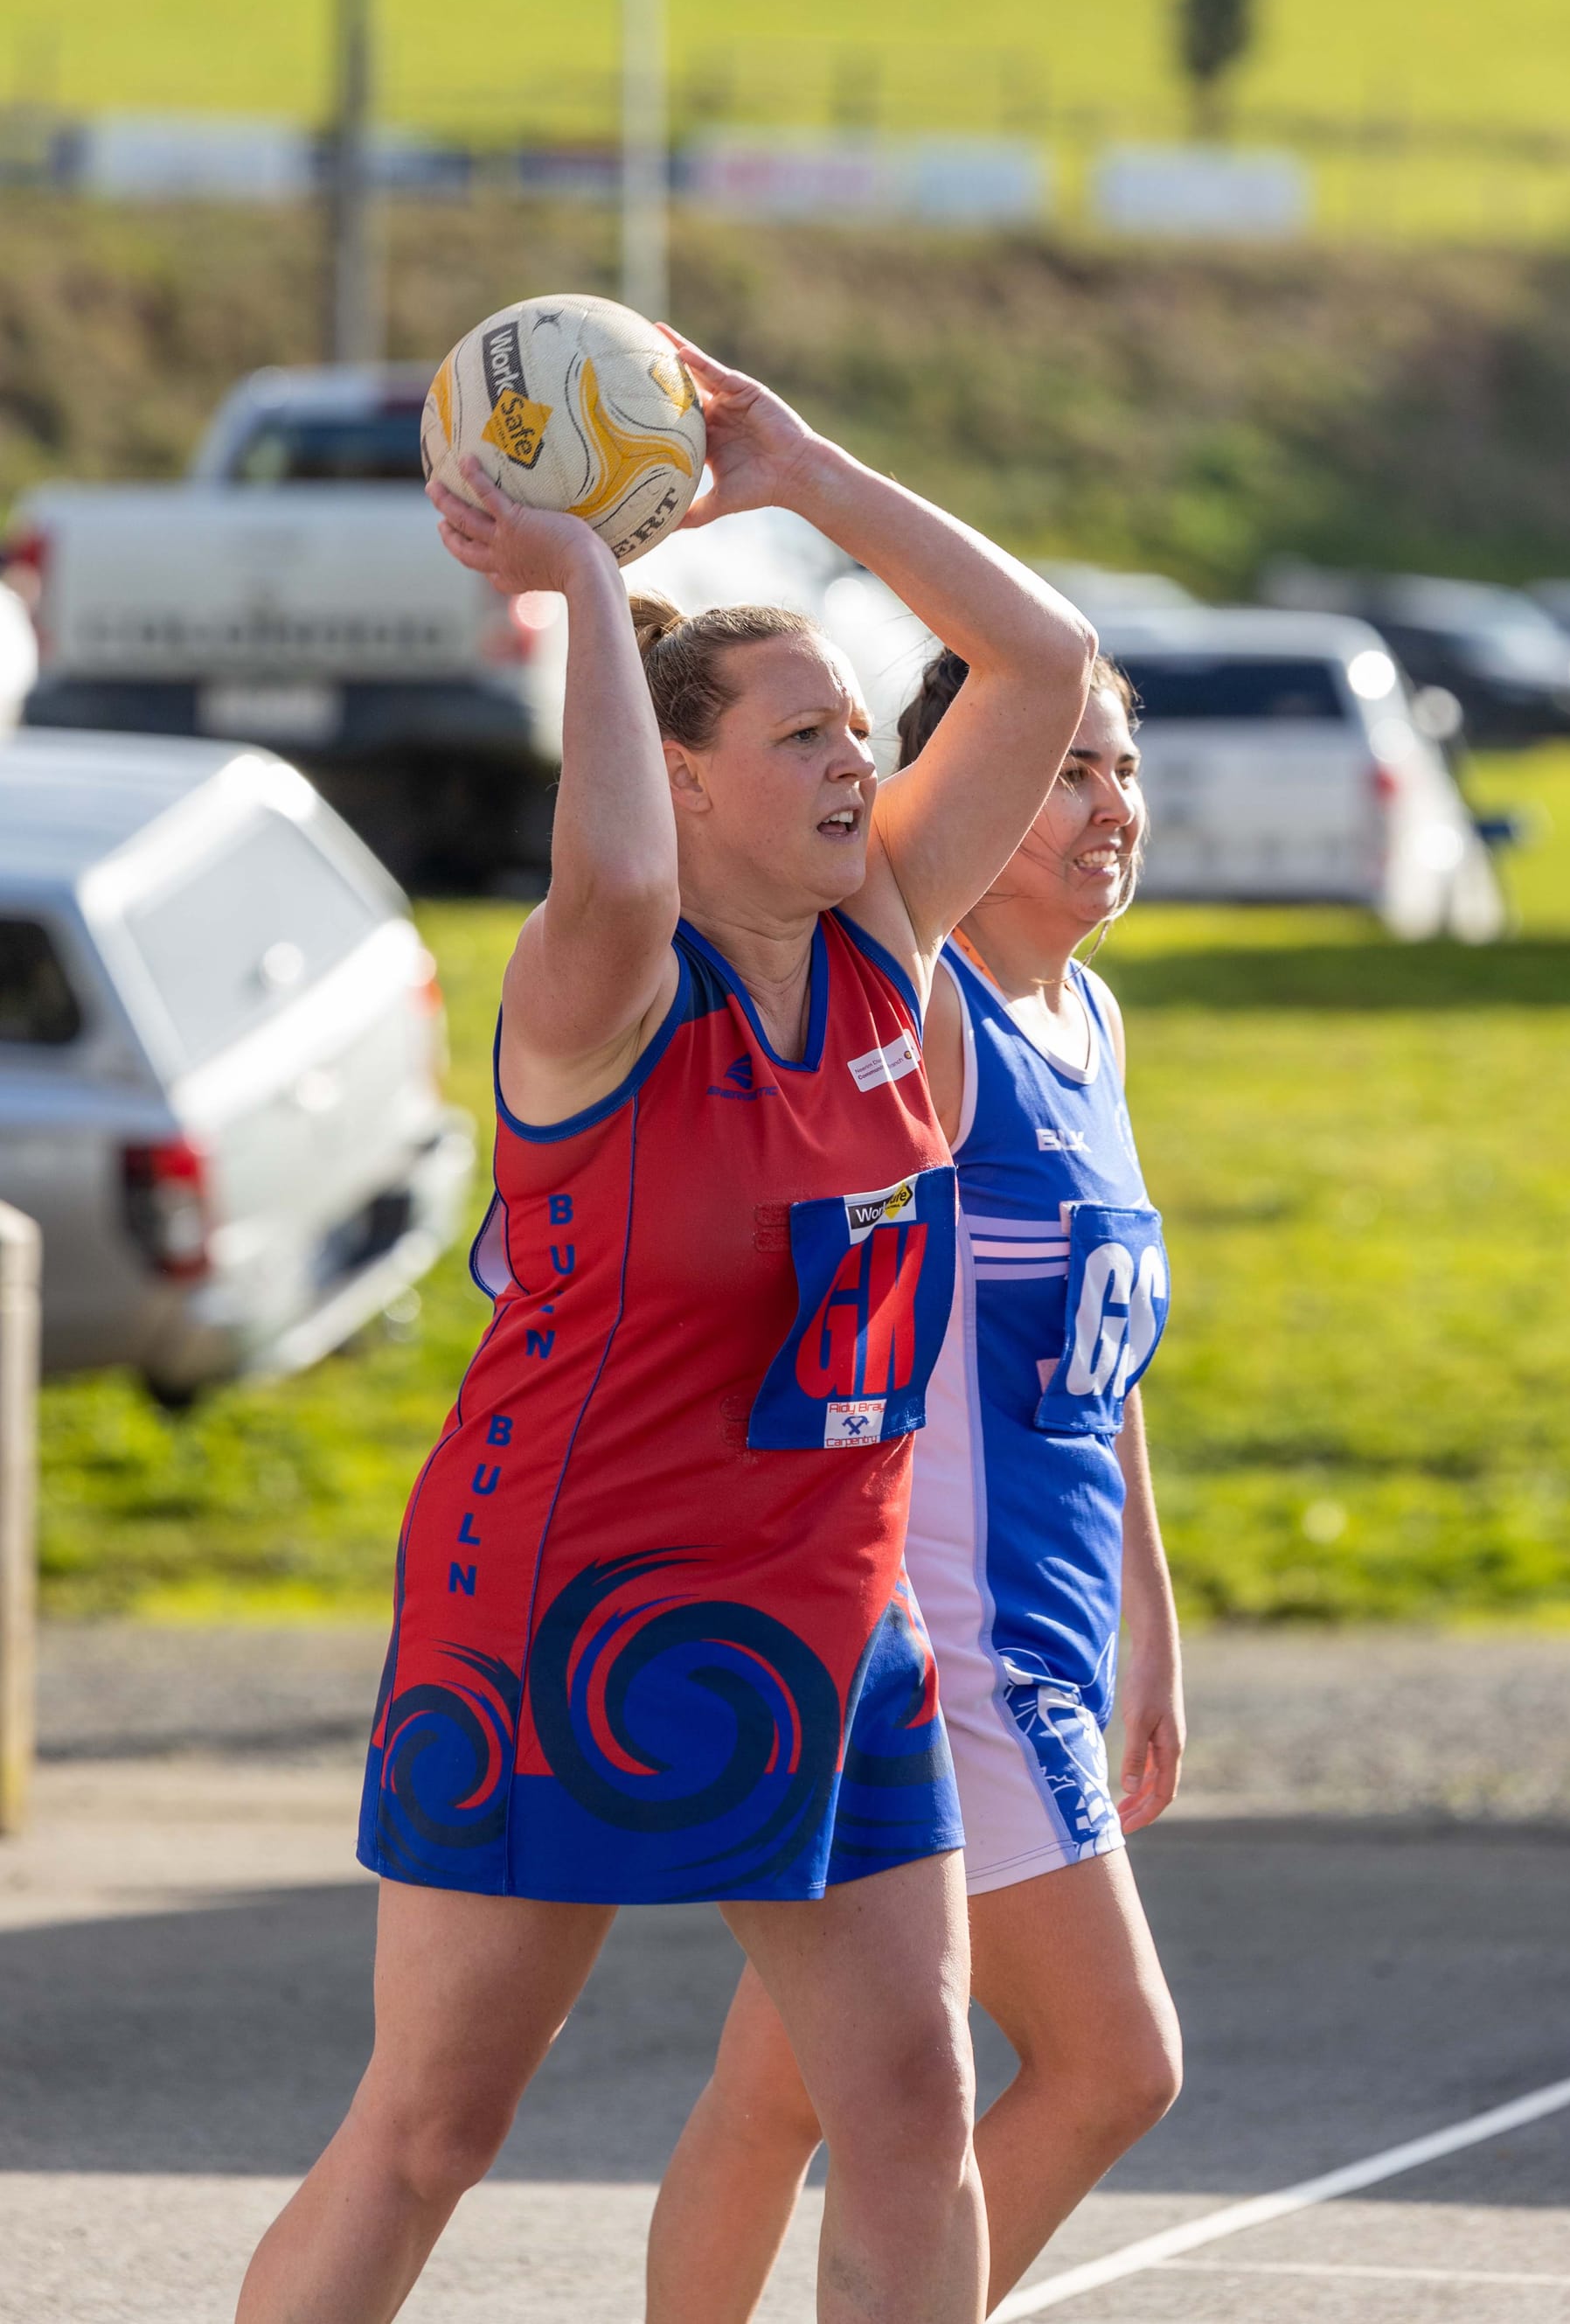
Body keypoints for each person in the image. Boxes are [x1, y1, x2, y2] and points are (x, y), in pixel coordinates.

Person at [234, 333, 1094, 2324]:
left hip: (832, 1622)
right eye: (801, 740)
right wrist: (589, 600)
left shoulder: (886, 950)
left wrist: (800, 467)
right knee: (436, 2130)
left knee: (905, 2111)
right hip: (562, 1604)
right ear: (687, 774)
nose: (857, 767)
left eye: (857, 732)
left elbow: (1040, 665)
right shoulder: (600, 987)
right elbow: (614, 858)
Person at [646, 644, 1184, 2324]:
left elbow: (1096, 1378)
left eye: (1118, 770)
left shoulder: (1087, 1017)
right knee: (1113, 2063)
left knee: (784, 2089)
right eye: (1062, 770)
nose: (1106, 807)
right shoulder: (923, 1005)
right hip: (939, 1635)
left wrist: (1149, 1621)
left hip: (1047, 1632)